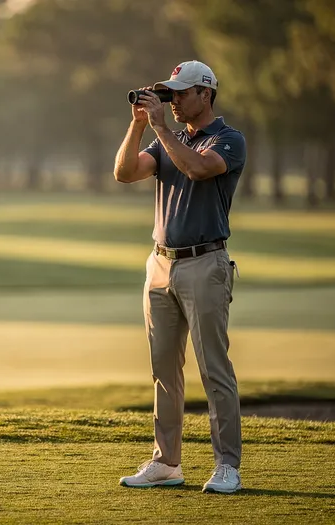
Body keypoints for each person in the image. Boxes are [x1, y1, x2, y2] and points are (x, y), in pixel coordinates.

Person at [113, 60, 246, 494]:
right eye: (169, 94)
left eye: (180, 94)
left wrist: (160, 129)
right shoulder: (169, 139)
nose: (173, 102)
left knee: (214, 369)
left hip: (205, 263)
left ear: (205, 94)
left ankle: (227, 465)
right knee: (164, 371)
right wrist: (138, 126)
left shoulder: (227, 140)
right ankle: (167, 462)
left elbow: (197, 168)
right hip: (160, 264)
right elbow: (124, 172)